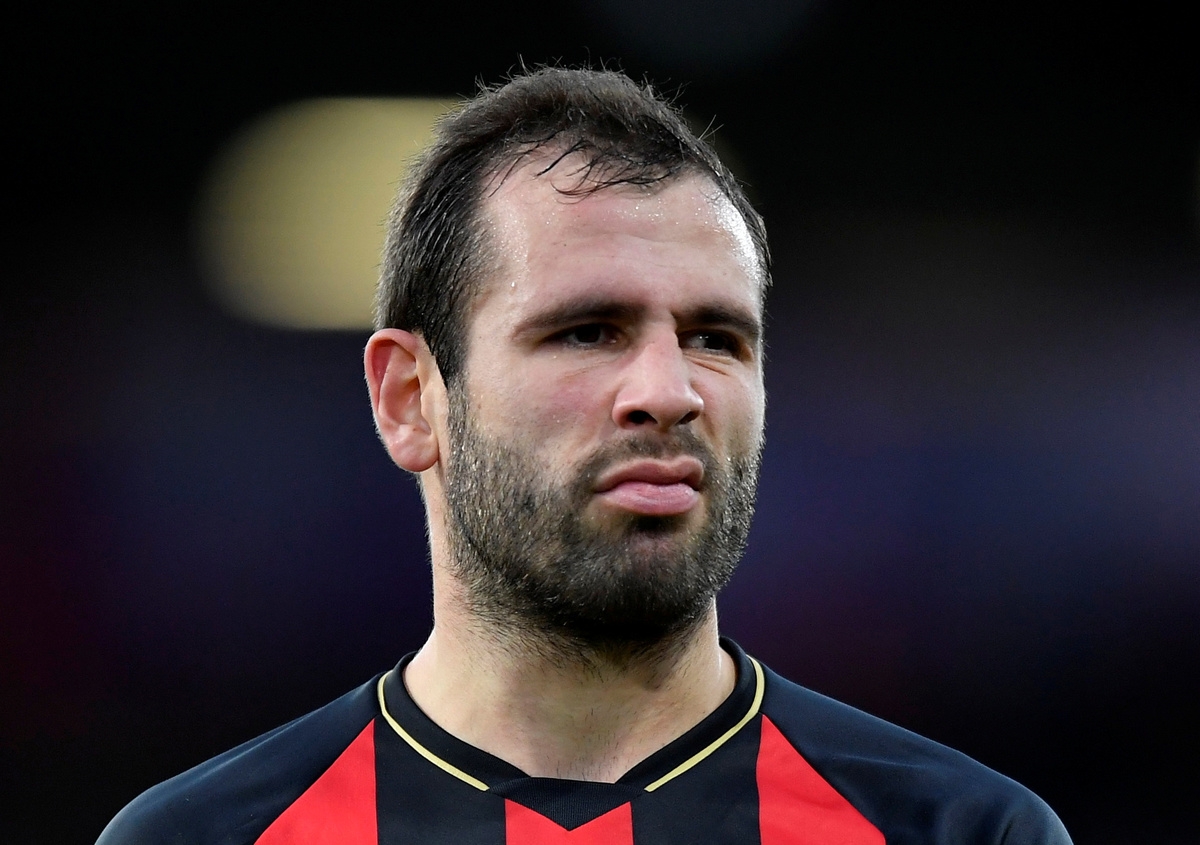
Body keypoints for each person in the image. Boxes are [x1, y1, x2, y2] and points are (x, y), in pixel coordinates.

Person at [97, 67, 1071, 844]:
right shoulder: (204, 835)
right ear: (409, 399)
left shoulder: (959, 828)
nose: (670, 390)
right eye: (587, 330)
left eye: (716, 337)